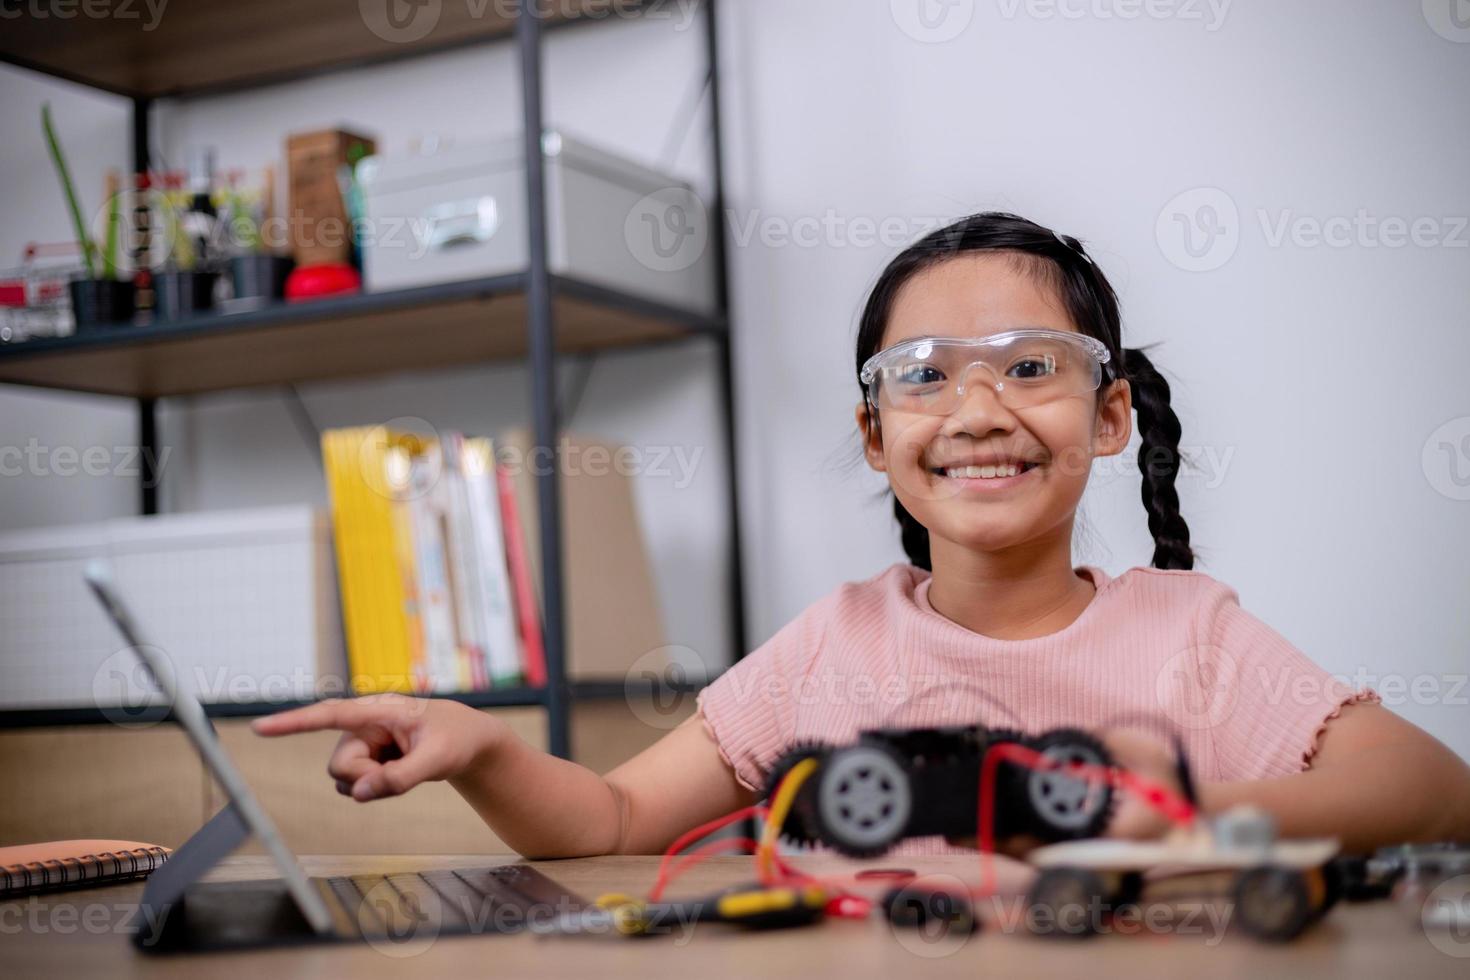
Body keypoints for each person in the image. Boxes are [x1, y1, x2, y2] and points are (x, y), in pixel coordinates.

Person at [254, 212, 1470, 858]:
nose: (980, 407)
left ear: (1109, 417)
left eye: (1030, 367)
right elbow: (614, 821)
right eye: (927, 375)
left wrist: (1194, 822)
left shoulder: (1187, 631)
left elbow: (1431, 786)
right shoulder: (831, 647)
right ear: (879, 434)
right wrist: (482, 748)